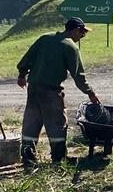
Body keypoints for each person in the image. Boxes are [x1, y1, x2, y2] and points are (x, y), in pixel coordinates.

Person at [15, 16, 100, 168]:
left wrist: (22, 75)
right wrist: (91, 93)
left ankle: (28, 157)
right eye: (82, 33)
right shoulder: (71, 47)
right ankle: (58, 159)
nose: (82, 36)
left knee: (32, 121)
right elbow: (79, 76)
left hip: (33, 88)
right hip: (51, 91)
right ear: (75, 30)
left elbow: (27, 58)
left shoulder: (45, 38)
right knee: (57, 124)